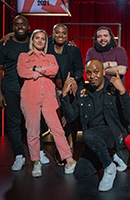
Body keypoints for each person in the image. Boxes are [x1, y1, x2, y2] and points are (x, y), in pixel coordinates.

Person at [60, 59, 130, 191]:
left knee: (89, 135)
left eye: (96, 72)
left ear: (103, 72)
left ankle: (109, 167)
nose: (92, 76)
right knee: (80, 173)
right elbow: (71, 117)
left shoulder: (113, 88)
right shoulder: (82, 92)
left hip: (112, 134)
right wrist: (64, 95)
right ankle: (110, 155)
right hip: (94, 139)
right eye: (89, 73)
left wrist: (123, 92)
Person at [0, 15, 49, 172]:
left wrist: (69, 44)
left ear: (28, 26)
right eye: (16, 24)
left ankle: (39, 151)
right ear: (13, 27)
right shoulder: (4, 44)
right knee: (13, 123)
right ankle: (19, 155)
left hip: (32, 88)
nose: (20, 27)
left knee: (34, 122)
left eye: (22, 24)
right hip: (11, 89)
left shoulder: (34, 40)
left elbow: (54, 38)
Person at [17, 29, 76, 177]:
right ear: (32, 40)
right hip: (30, 97)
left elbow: (54, 71)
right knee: (32, 131)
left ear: (45, 41)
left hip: (48, 98)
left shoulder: (51, 57)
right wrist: (42, 71)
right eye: (37, 38)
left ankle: (69, 159)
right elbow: (22, 72)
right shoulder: (24, 56)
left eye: (43, 38)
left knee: (57, 129)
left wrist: (36, 69)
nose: (40, 41)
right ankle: (36, 162)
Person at [47, 23, 84, 159]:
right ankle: (61, 147)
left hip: (70, 89)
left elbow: (79, 69)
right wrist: (9, 36)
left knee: (69, 118)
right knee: (56, 121)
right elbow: (31, 37)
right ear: (52, 34)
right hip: (52, 89)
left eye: (63, 33)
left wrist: (74, 79)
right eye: (57, 32)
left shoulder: (73, 50)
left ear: (67, 36)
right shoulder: (47, 48)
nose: (60, 35)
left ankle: (70, 145)